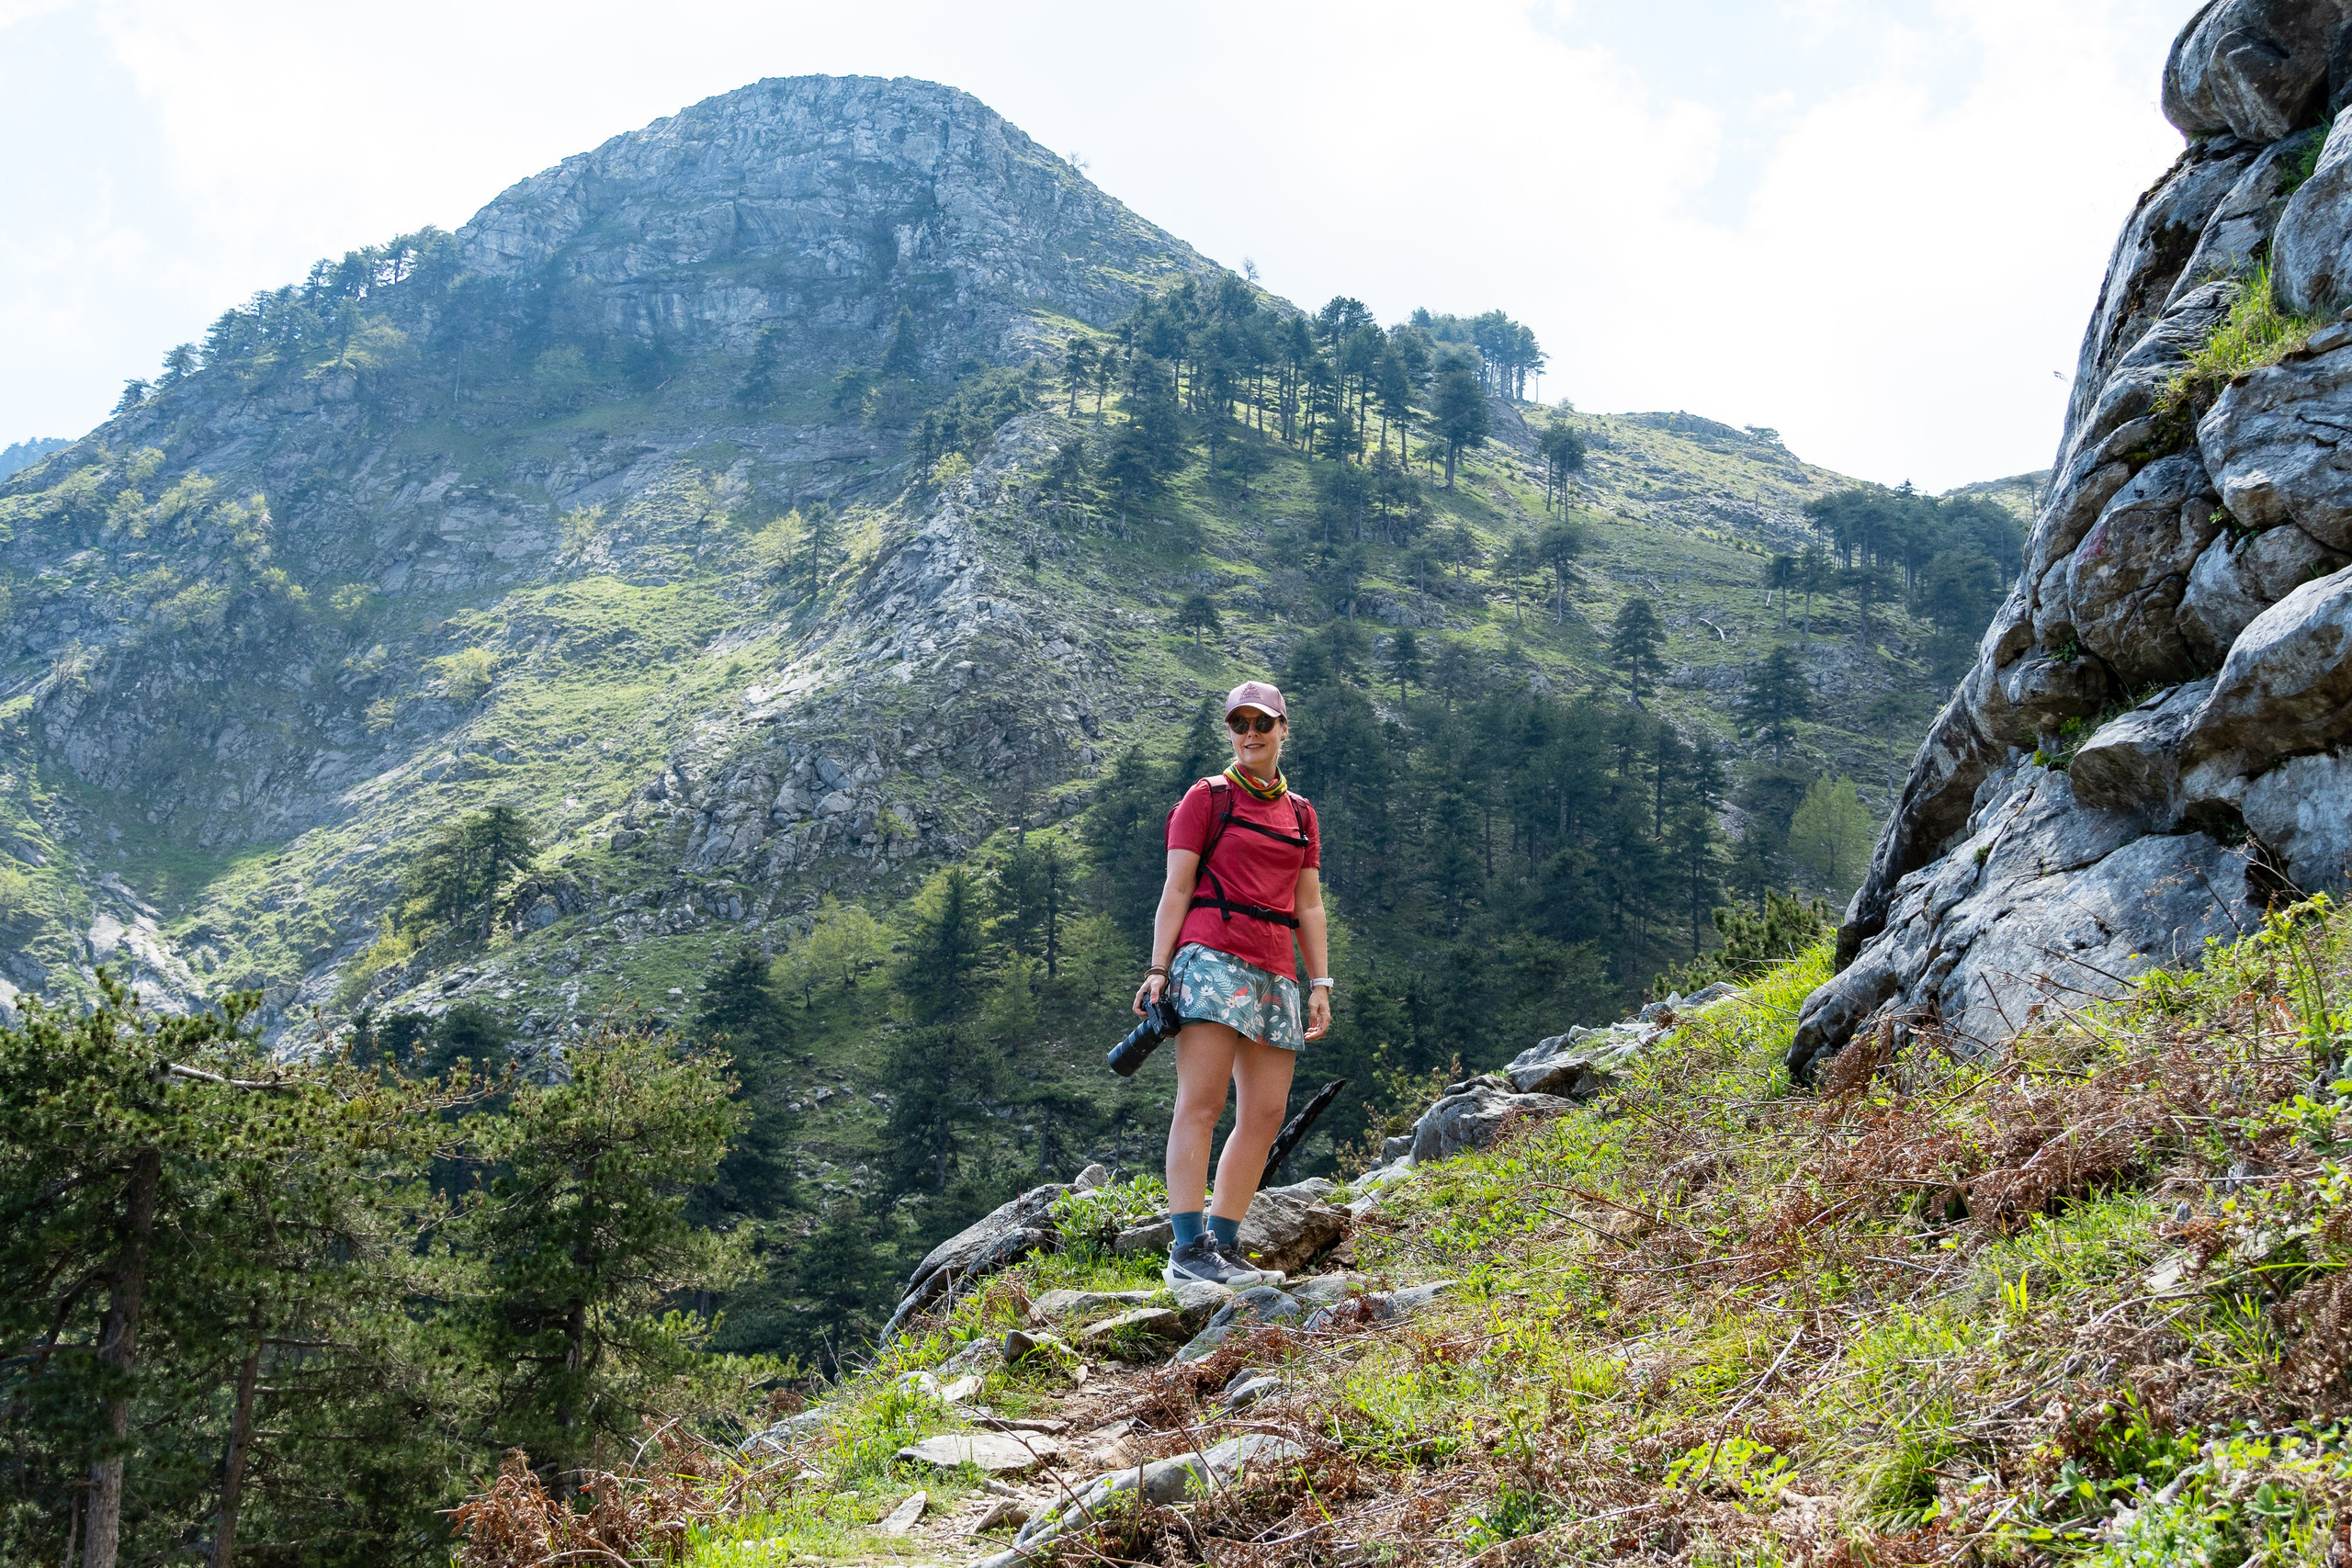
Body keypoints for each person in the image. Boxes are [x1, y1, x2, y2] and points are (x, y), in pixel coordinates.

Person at [1133, 680, 1333, 1288]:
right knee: (1203, 1102)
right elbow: (1176, 887)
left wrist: (1320, 981)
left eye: (1262, 723)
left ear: (1283, 729)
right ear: (1230, 731)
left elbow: (1310, 903)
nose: (1250, 733)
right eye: (1239, 723)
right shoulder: (1207, 798)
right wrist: (1158, 967)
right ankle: (1187, 1250)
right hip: (1211, 959)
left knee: (1266, 1112)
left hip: (1276, 968)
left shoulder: (1300, 814)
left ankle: (1222, 1242)